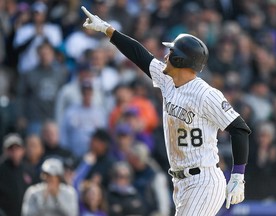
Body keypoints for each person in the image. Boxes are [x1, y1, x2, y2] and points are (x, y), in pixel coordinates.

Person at [81, 6, 251, 216]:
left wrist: (237, 176)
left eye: (171, 52)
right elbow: (140, 55)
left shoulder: (206, 94)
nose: (165, 56)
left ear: (180, 60)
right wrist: (108, 30)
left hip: (203, 181)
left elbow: (239, 129)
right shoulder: (167, 80)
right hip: (181, 183)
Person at [0, 133, 32, 216]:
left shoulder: (28, 170)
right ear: (5, 150)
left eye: (17, 148)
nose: (14, 152)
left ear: (23, 150)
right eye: (11, 149)